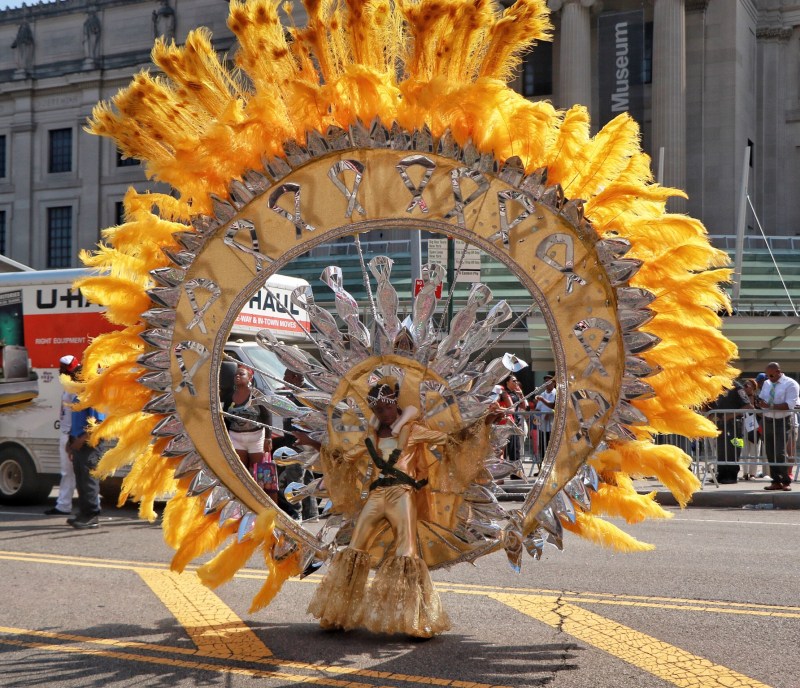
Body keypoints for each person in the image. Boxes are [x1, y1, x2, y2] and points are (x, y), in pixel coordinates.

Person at [307, 380, 452, 638]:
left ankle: (417, 620)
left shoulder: (412, 430)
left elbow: (448, 440)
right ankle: (338, 613)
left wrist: (484, 423)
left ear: (395, 403)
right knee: (355, 547)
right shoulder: (371, 437)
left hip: (402, 494)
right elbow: (344, 458)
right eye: (378, 410)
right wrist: (313, 444)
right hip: (376, 496)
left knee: (406, 552)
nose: (384, 413)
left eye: (387, 407)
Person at [223, 365, 276, 501]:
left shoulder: (257, 394)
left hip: (256, 438)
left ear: (250, 378)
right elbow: (225, 419)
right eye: (236, 375)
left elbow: (267, 416)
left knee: (259, 473)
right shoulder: (229, 397)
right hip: (236, 438)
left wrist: (268, 438)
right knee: (240, 472)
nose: (237, 376)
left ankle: (261, 501)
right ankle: (243, 501)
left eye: (241, 374)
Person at [273, 369, 319, 522]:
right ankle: (311, 514)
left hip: (301, 441)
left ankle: (296, 512)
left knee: (294, 477)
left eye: (286, 376)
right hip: (294, 439)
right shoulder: (291, 391)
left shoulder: (307, 394)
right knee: (307, 477)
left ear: (295, 377)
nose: (284, 378)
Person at [44, 356, 82, 516]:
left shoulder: (77, 387)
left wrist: (72, 438)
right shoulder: (69, 385)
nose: (61, 372)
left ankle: (71, 506)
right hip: (68, 434)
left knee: (76, 473)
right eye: (61, 368)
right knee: (71, 473)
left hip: (73, 435)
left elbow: (77, 415)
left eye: (65, 369)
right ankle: (66, 505)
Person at [756, 362, 800, 491]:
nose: (769, 378)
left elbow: (789, 405)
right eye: (767, 375)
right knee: (770, 452)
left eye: (771, 375)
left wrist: (769, 406)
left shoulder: (791, 384)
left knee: (780, 452)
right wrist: (760, 403)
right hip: (767, 420)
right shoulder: (767, 383)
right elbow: (762, 399)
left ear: (778, 372)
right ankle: (776, 481)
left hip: (783, 421)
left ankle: (786, 481)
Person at [67, 391, 104, 529]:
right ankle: (83, 513)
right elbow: (76, 422)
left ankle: (92, 516)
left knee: (89, 481)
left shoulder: (94, 397)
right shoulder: (78, 396)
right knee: (81, 481)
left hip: (89, 445)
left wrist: (81, 440)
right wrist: (70, 442)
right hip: (78, 443)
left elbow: (97, 425)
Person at [707, 380, 751, 484]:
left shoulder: (736, 386)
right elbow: (711, 405)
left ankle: (732, 475)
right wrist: (712, 415)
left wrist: (730, 416)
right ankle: (721, 474)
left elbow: (747, 406)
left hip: (735, 424)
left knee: (734, 449)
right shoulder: (715, 385)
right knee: (721, 450)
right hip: (721, 424)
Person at [740, 378, 762, 481]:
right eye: (744, 385)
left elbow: (762, 413)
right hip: (743, 426)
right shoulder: (741, 399)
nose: (744, 387)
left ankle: (753, 473)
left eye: (747, 385)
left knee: (755, 451)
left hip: (756, 427)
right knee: (744, 451)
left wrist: (753, 409)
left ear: (753, 387)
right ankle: (745, 473)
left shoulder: (758, 399)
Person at [533, 375, 556, 464]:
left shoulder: (557, 394)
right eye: (545, 382)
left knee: (552, 447)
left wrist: (550, 413)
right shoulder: (542, 394)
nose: (547, 383)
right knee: (543, 447)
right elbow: (538, 409)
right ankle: (542, 465)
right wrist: (534, 412)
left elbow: (555, 406)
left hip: (553, 426)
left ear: (554, 383)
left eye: (549, 381)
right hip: (543, 426)